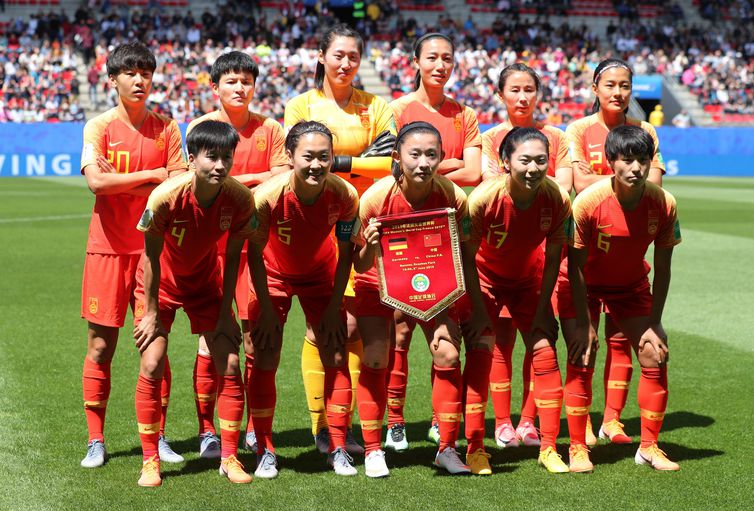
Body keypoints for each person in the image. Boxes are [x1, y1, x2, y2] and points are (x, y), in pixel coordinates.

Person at [352, 121, 491, 477]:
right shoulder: (374, 198)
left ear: (442, 157)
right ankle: (372, 449)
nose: (423, 163)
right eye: (414, 154)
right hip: (377, 282)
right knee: (376, 355)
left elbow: (463, 254)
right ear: (397, 157)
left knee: (447, 351)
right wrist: (369, 243)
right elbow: (360, 263)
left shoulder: (453, 197)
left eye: (432, 154)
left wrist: (473, 306)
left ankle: (446, 447)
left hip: (434, 283)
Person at [284, 23, 396, 455]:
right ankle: (321, 425)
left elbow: (392, 164)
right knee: (323, 327)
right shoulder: (300, 106)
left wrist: (343, 161)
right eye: (339, 55)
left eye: (353, 56)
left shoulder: (377, 105)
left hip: (368, 227)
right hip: (319, 227)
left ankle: (342, 425)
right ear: (321, 56)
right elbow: (302, 163)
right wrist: (364, 160)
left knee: (357, 331)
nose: (346, 63)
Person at [79, 42, 186, 469]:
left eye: (145, 72)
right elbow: (96, 185)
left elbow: (177, 185)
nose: (139, 80)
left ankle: (157, 437)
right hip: (105, 250)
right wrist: (151, 176)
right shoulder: (98, 127)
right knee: (101, 346)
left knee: (154, 350)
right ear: (113, 81)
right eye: (130, 73)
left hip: (152, 253)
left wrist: (122, 179)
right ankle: (96, 440)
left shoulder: (168, 128)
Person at [133, 120, 256, 487]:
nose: (219, 165)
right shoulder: (165, 197)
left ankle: (230, 456)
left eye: (227, 158)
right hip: (161, 285)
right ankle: (151, 460)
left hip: (206, 283)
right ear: (192, 159)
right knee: (152, 363)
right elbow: (151, 256)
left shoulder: (240, 198)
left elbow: (234, 257)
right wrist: (152, 313)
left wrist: (223, 315)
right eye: (211, 157)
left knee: (231, 363)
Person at [558, 125, 682, 472]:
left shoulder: (664, 203)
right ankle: (578, 448)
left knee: (654, 353)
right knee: (583, 352)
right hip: (582, 284)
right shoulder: (587, 203)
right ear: (611, 161)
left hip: (630, 286)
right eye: (626, 160)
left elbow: (664, 267)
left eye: (642, 161)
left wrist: (655, 322)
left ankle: (649, 447)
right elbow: (577, 267)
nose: (635, 169)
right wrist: (584, 323)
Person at [186, 51, 289, 458]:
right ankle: (207, 428)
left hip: (255, 247)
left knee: (252, 338)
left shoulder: (272, 129)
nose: (239, 88)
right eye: (231, 81)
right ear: (215, 87)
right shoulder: (201, 127)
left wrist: (228, 182)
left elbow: (282, 178)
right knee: (211, 340)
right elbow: (193, 179)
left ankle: (250, 427)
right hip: (208, 249)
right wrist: (253, 181)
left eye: (246, 81)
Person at [385, 33, 482, 450]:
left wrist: (431, 171)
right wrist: (450, 163)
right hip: (402, 229)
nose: (440, 65)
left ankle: (440, 424)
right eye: (432, 58)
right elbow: (389, 167)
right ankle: (394, 420)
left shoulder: (466, 114)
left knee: (447, 334)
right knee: (399, 332)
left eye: (448, 58)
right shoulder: (396, 109)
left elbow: (475, 172)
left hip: (445, 235)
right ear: (416, 62)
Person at [246, 121, 360, 478]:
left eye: (323, 157)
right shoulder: (265, 197)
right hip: (273, 275)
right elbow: (253, 255)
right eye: (308, 156)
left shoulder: (344, 195)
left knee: (336, 351)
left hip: (320, 275)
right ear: (290, 156)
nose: (316, 165)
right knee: (264, 354)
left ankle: (338, 447)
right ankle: (264, 448)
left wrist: (330, 308)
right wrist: (265, 308)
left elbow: (346, 255)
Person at [566, 58, 666, 445]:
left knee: (621, 340)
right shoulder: (578, 129)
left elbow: (652, 181)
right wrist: (620, 180)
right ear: (595, 88)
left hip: (628, 249)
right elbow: (577, 182)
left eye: (625, 85)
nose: (618, 92)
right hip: (590, 249)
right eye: (610, 85)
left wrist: (612, 180)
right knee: (585, 341)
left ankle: (612, 420)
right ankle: (584, 422)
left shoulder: (644, 130)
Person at [465, 131, 572, 474]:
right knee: (481, 352)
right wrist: (479, 310)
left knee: (545, 350)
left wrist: (543, 306)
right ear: (505, 162)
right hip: (484, 279)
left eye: (541, 160)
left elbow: (554, 256)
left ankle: (549, 447)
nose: (533, 168)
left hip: (528, 281)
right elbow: (465, 258)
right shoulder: (483, 199)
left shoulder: (556, 197)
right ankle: (475, 448)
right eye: (524, 160)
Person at [479, 63, 573, 450]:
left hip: (542, 256)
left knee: (539, 336)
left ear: (539, 94)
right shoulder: (490, 139)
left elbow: (561, 188)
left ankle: (529, 421)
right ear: (500, 95)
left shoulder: (557, 137)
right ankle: (502, 422)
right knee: (500, 341)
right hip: (499, 254)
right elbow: (491, 186)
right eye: (514, 89)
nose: (522, 97)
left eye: (529, 89)